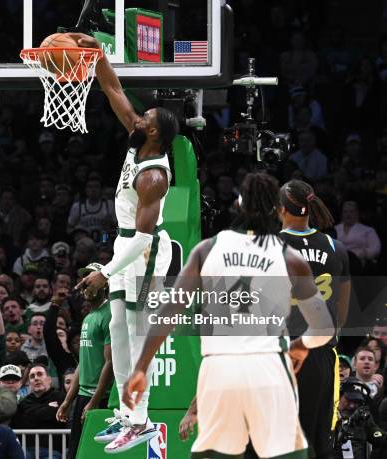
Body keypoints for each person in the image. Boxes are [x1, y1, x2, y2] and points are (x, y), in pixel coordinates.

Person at [124, 172, 335, 458]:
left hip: (220, 372)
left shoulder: (207, 250)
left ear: (238, 205)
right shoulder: (289, 257)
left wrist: (140, 368)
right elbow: (324, 329)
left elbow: (168, 313)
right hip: (269, 370)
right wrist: (299, 347)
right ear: (277, 211)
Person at [73, 33, 177, 452]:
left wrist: (104, 271)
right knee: (117, 327)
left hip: (146, 251)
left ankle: (141, 419)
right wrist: (95, 53)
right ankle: (124, 413)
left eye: (143, 119)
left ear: (155, 133)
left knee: (137, 336)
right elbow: (112, 88)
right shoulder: (139, 140)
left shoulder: (154, 175)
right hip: (126, 244)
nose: (135, 120)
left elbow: (144, 239)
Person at [279, 179, 351, 459]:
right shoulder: (336, 248)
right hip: (321, 356)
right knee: (319, 443)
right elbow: (342, 315)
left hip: (283, 353)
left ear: (282, 209)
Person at [56, 263, 113, 459]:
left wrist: (95, 401)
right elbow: (83, 363)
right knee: (75, 454)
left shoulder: (110, 314)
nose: (84, 286)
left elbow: (111, 363)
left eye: (89, 281)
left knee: (98, 455)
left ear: (104, 283)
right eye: (83, 281)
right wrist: (67, 401)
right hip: (83, 397)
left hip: (101, 399)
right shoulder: (89, 317)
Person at [12, 363, 66, 459]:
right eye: (32, 376)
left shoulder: (61, 397)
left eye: (40, 374)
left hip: (53, 450)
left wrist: (35, 412)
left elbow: (58, 417)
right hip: (27, 449)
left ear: (49, 379)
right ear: (29, 383)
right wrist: (48, 408)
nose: (36, 378)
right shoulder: (24, 402)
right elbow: (24, 421)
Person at [333, 378, 387, 459]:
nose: (352, 406)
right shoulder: (326, 416)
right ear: (339, 395)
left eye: (356, 402)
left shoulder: (363, 418)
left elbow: (379, 437)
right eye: (349, 400)